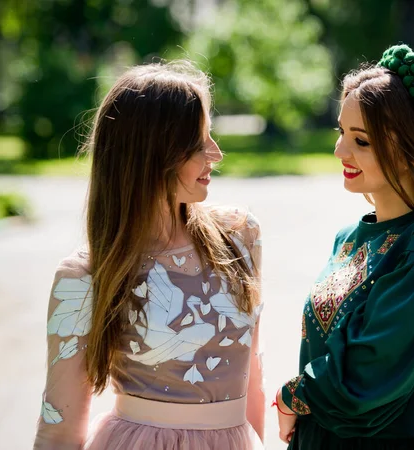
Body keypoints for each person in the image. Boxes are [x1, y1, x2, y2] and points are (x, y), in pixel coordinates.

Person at [274, 44, 414, 450]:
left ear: (412, 147)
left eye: (362, 141)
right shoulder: (347, 238)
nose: (340, 151)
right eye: (341, 132)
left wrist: (294, 396)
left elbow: (373, 371)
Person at [33, 61, 265, 450]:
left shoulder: (240, 234)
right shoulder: (84, 275)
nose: (217, 153)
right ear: (153, 152)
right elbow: (59, 427)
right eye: (199, 142)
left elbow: (252, 371)